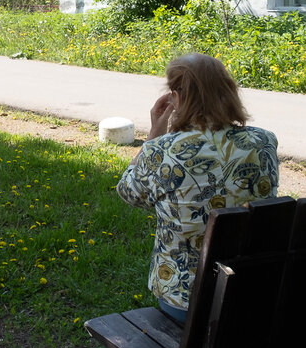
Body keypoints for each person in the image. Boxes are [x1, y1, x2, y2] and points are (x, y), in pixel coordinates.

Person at [116, 53, 279, 323]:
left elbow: (129, 192)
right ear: (229, 91)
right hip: (250, 291)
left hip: (184, 300)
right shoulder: (263, 142)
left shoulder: (163, 150)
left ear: (177, 97)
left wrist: (154, 135)